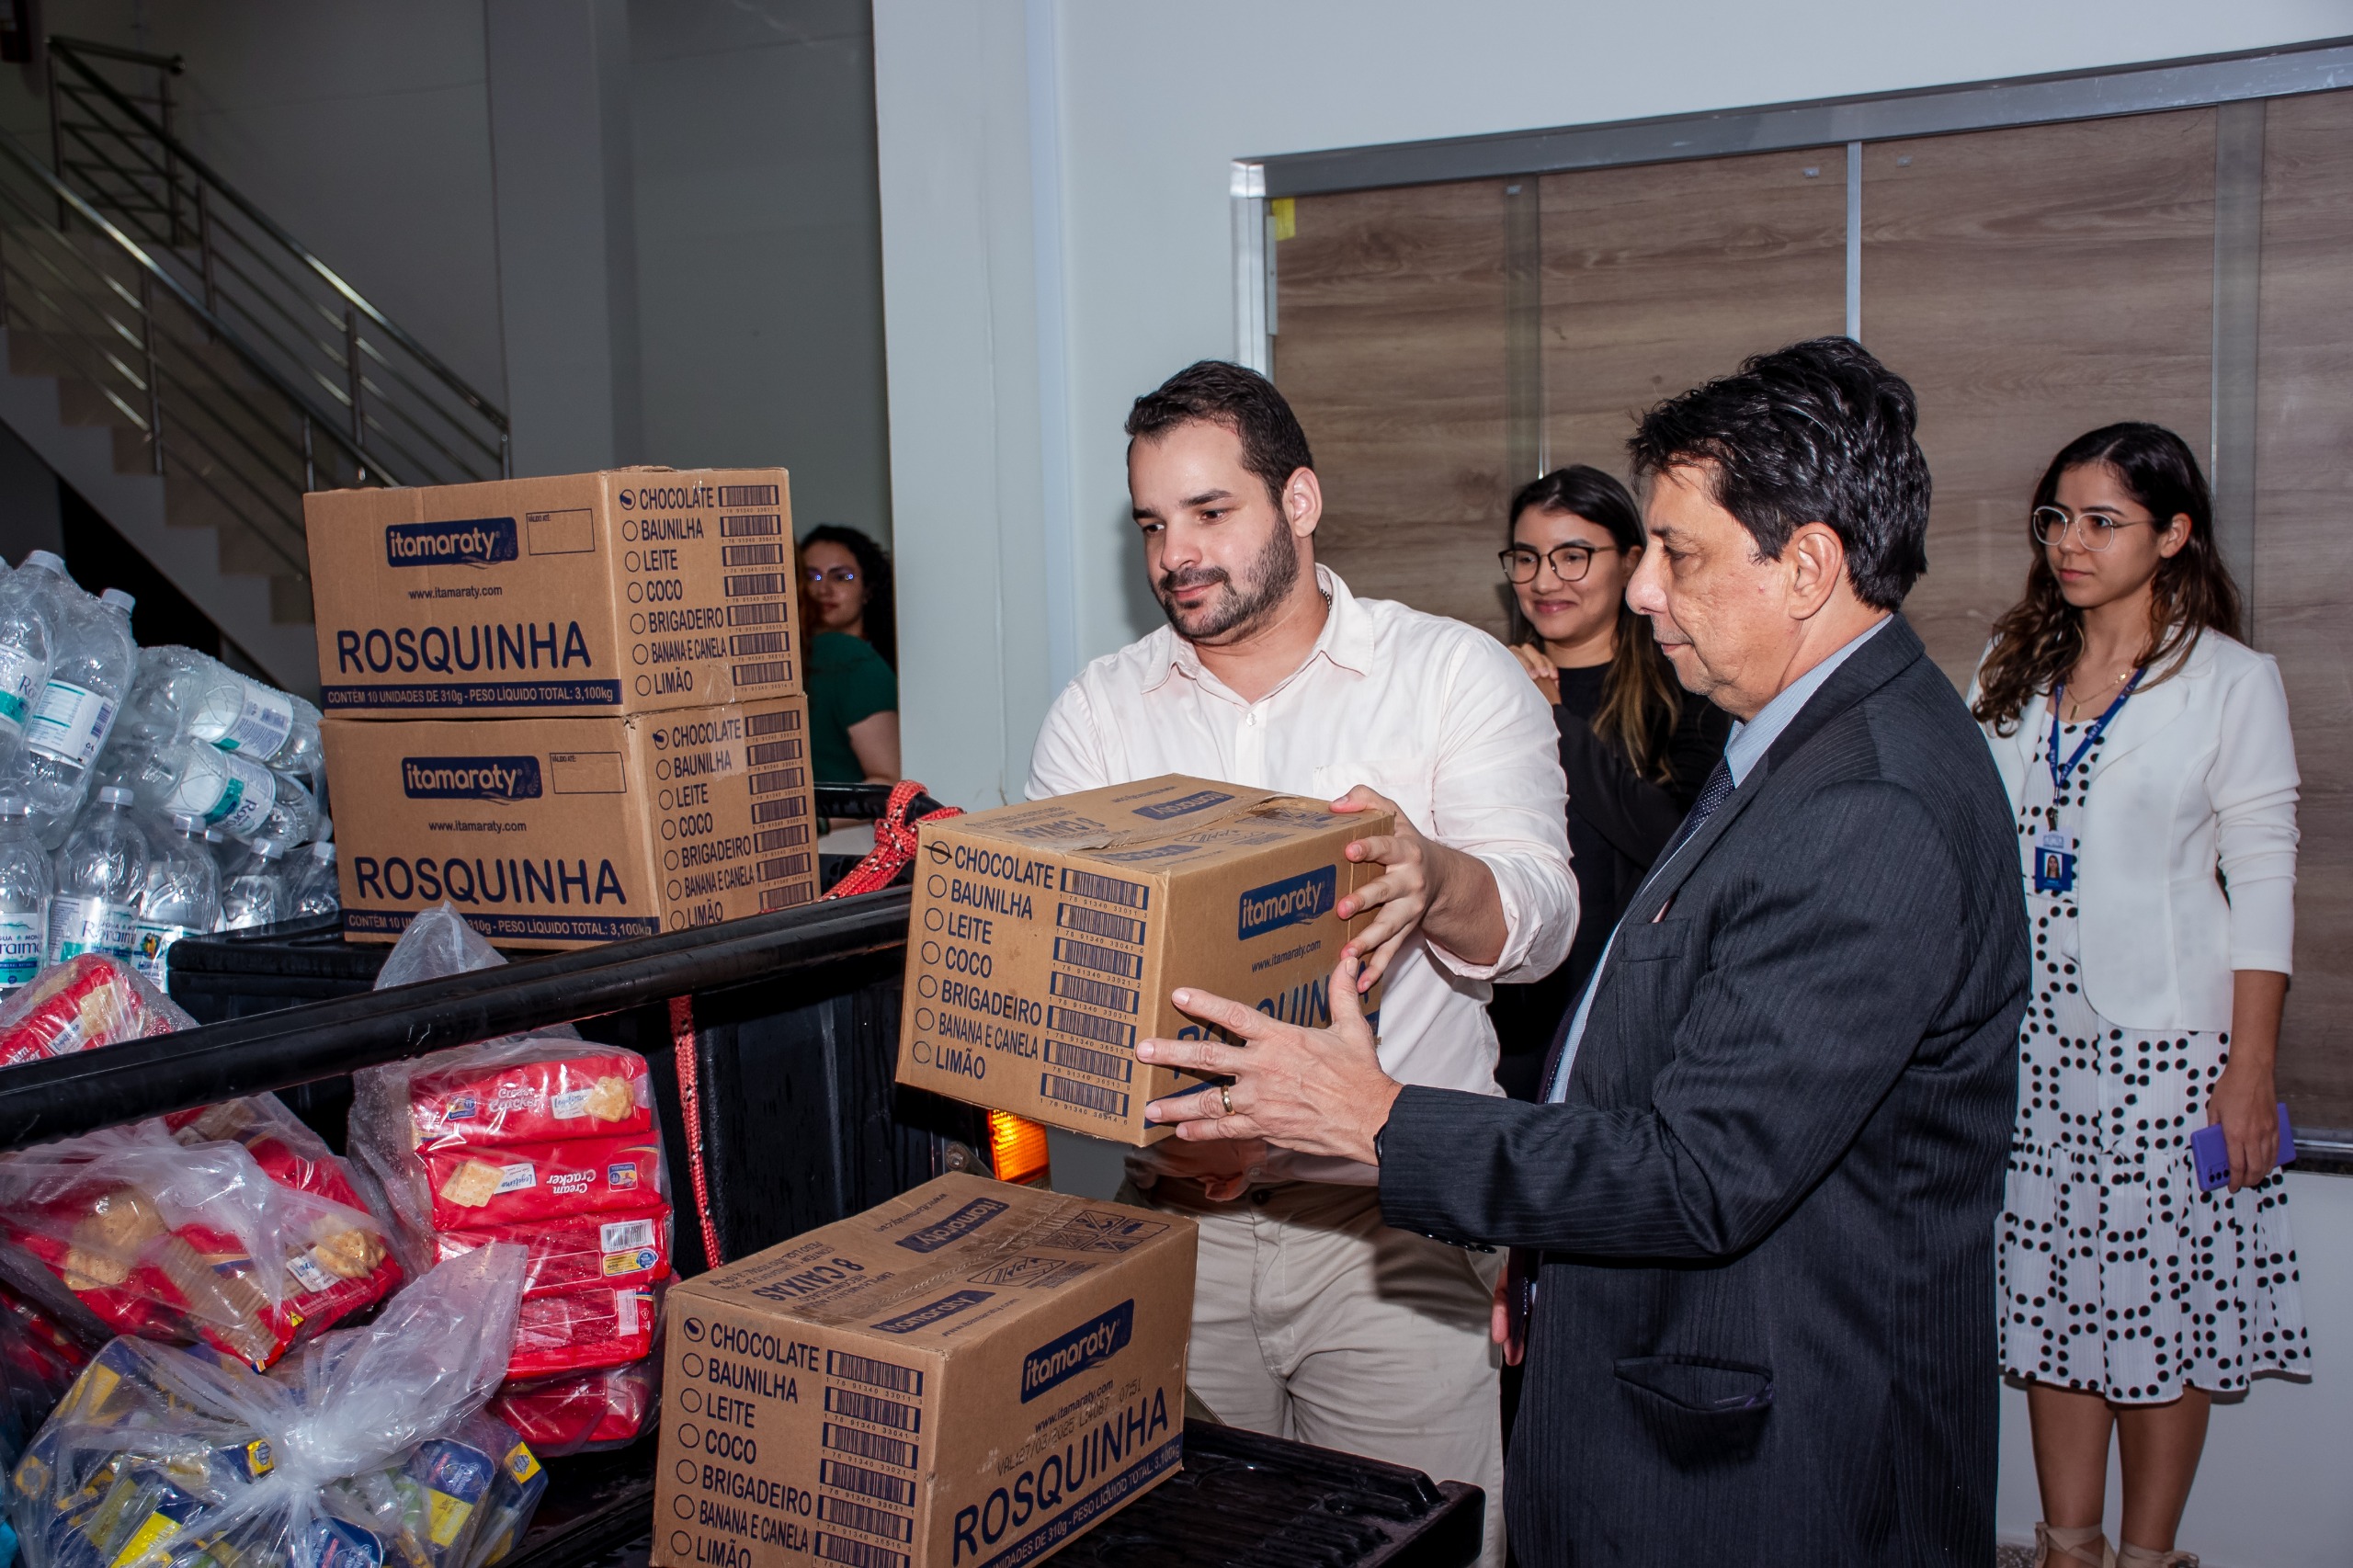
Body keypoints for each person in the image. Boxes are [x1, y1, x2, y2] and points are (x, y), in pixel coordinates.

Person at [1134, 337, 2029, 1565]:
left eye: (1681, 551)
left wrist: (1380, 1120)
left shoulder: (1871, 800)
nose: (1646, 588)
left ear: (1807, 565)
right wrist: (1548, 1254)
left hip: (1781, 1458)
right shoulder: (1800, 743)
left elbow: (1704, 1169)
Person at [1028, 359, 1574, 1568]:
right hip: (1177, 1229)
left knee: (1414, 1540)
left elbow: (1540, 923)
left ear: (1302, 502)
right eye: (1154, 525)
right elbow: (1064, 978)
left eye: (1211, 512)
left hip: (1390, 1232)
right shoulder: (1103, 711)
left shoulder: (1446, 675)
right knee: (1188, 1545)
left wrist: (1436, 876)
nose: (1177, 553)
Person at [1970, 424, 2309, 1568]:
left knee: (2158, 1312)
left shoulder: (2228, 679)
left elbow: (2263, 874)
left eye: (2101, 520)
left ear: (2172, 534)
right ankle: (2068, 1546)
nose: (2070, 542)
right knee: (2058, 1307)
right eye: (2056, 518)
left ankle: (2149, 1554)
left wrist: (2248, 1073)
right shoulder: (2009, 662)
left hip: (2163, 1052)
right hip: (2028, 1051)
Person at [1490, 465, 1728, 1099]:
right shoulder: (1481, 683)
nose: (1543, 581)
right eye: (1527, 558)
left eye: (1573, 557)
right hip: (1501, 1020)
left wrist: (1551, 722)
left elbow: (1677, 846)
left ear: (1630, 563)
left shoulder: (1692, 693)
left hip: (1627, 1027)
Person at [798, 525, 899, 783]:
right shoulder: (787, 664)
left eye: (841, 577)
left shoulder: (860, 661)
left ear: (868, 590)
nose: (823, 590)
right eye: (812, 576)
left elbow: (889, 781)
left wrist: (822, 823)